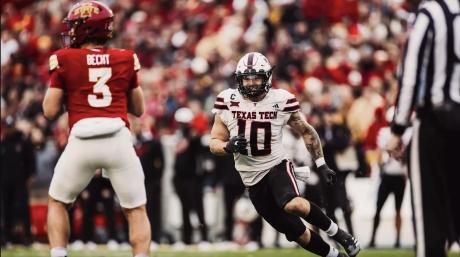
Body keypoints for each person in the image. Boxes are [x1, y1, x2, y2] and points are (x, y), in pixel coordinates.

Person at [209, 52, 360, 257]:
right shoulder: (228, 100)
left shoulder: (281, 100)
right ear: (239, 79)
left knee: (293, 203)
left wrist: (321, 163)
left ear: (267, 77)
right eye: (247, 78)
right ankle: (335, 256)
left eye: (256, 78)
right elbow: (214, 142)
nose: (252, 83)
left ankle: (340, 234)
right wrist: (228, 146)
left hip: (276, 165)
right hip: (251, 180)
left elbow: (307, 131)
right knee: (297, 233)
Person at [42, 2, 150, 257]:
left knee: (58, 202)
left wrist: (73, 88)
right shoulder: (125, 57)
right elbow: (138, 108)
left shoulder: (64, 59)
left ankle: (59, 254)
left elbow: (49, 110)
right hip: (118, 140)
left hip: (81, 140)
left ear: (83, 29)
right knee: (135, 209)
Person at [388, 1, 460, 256]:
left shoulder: (431, 13)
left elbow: (409, 74)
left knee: (430, 216)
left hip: (435, 123)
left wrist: (398, 128)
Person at [369, 107, 410, 248]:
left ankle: (397, 240)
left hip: (400, 176)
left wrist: (397, 153)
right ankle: (373, 238)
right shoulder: (385, 133)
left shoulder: (407, 134)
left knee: (398, 210)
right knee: (378, 208)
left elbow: (407, 157)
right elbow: (380, 156)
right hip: (387, 175)